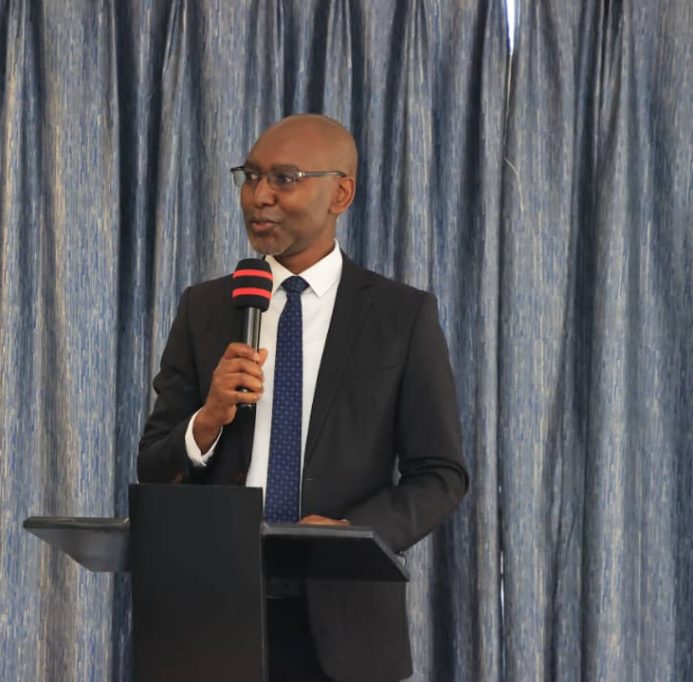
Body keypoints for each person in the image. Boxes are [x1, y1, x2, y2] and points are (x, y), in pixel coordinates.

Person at [137, 114, 468, 681]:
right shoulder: (206, 308)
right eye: (250, 176)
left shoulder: (400, 316)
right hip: (212, 616)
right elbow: (153, 468)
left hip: (344, 624)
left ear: (341, 193)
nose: (259, 196)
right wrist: (207, 420)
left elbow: (440, 474)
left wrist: (354, 534)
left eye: (284, 179)